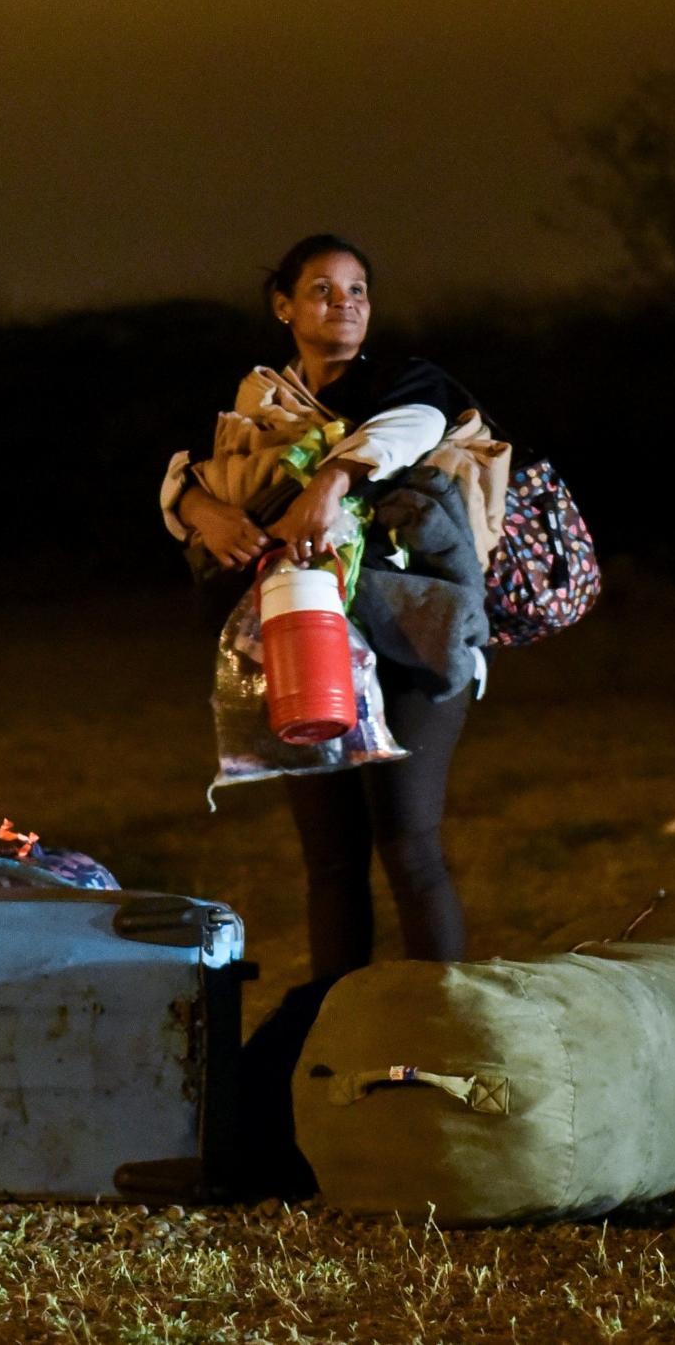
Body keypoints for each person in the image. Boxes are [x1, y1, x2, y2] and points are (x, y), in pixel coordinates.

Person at [159, 234, 481, 982]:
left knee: (409, 843)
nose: (345, 304)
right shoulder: (259, 405)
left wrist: (329, 483)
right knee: (331, 860)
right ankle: (334, 1038)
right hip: (299, 641)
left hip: (411, 640)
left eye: (359, 290)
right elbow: (182, 471)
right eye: (322, 290)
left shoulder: (404, 381)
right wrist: (202, 508)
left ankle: (443, 1035)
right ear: (283, 306)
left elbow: (418, 426)